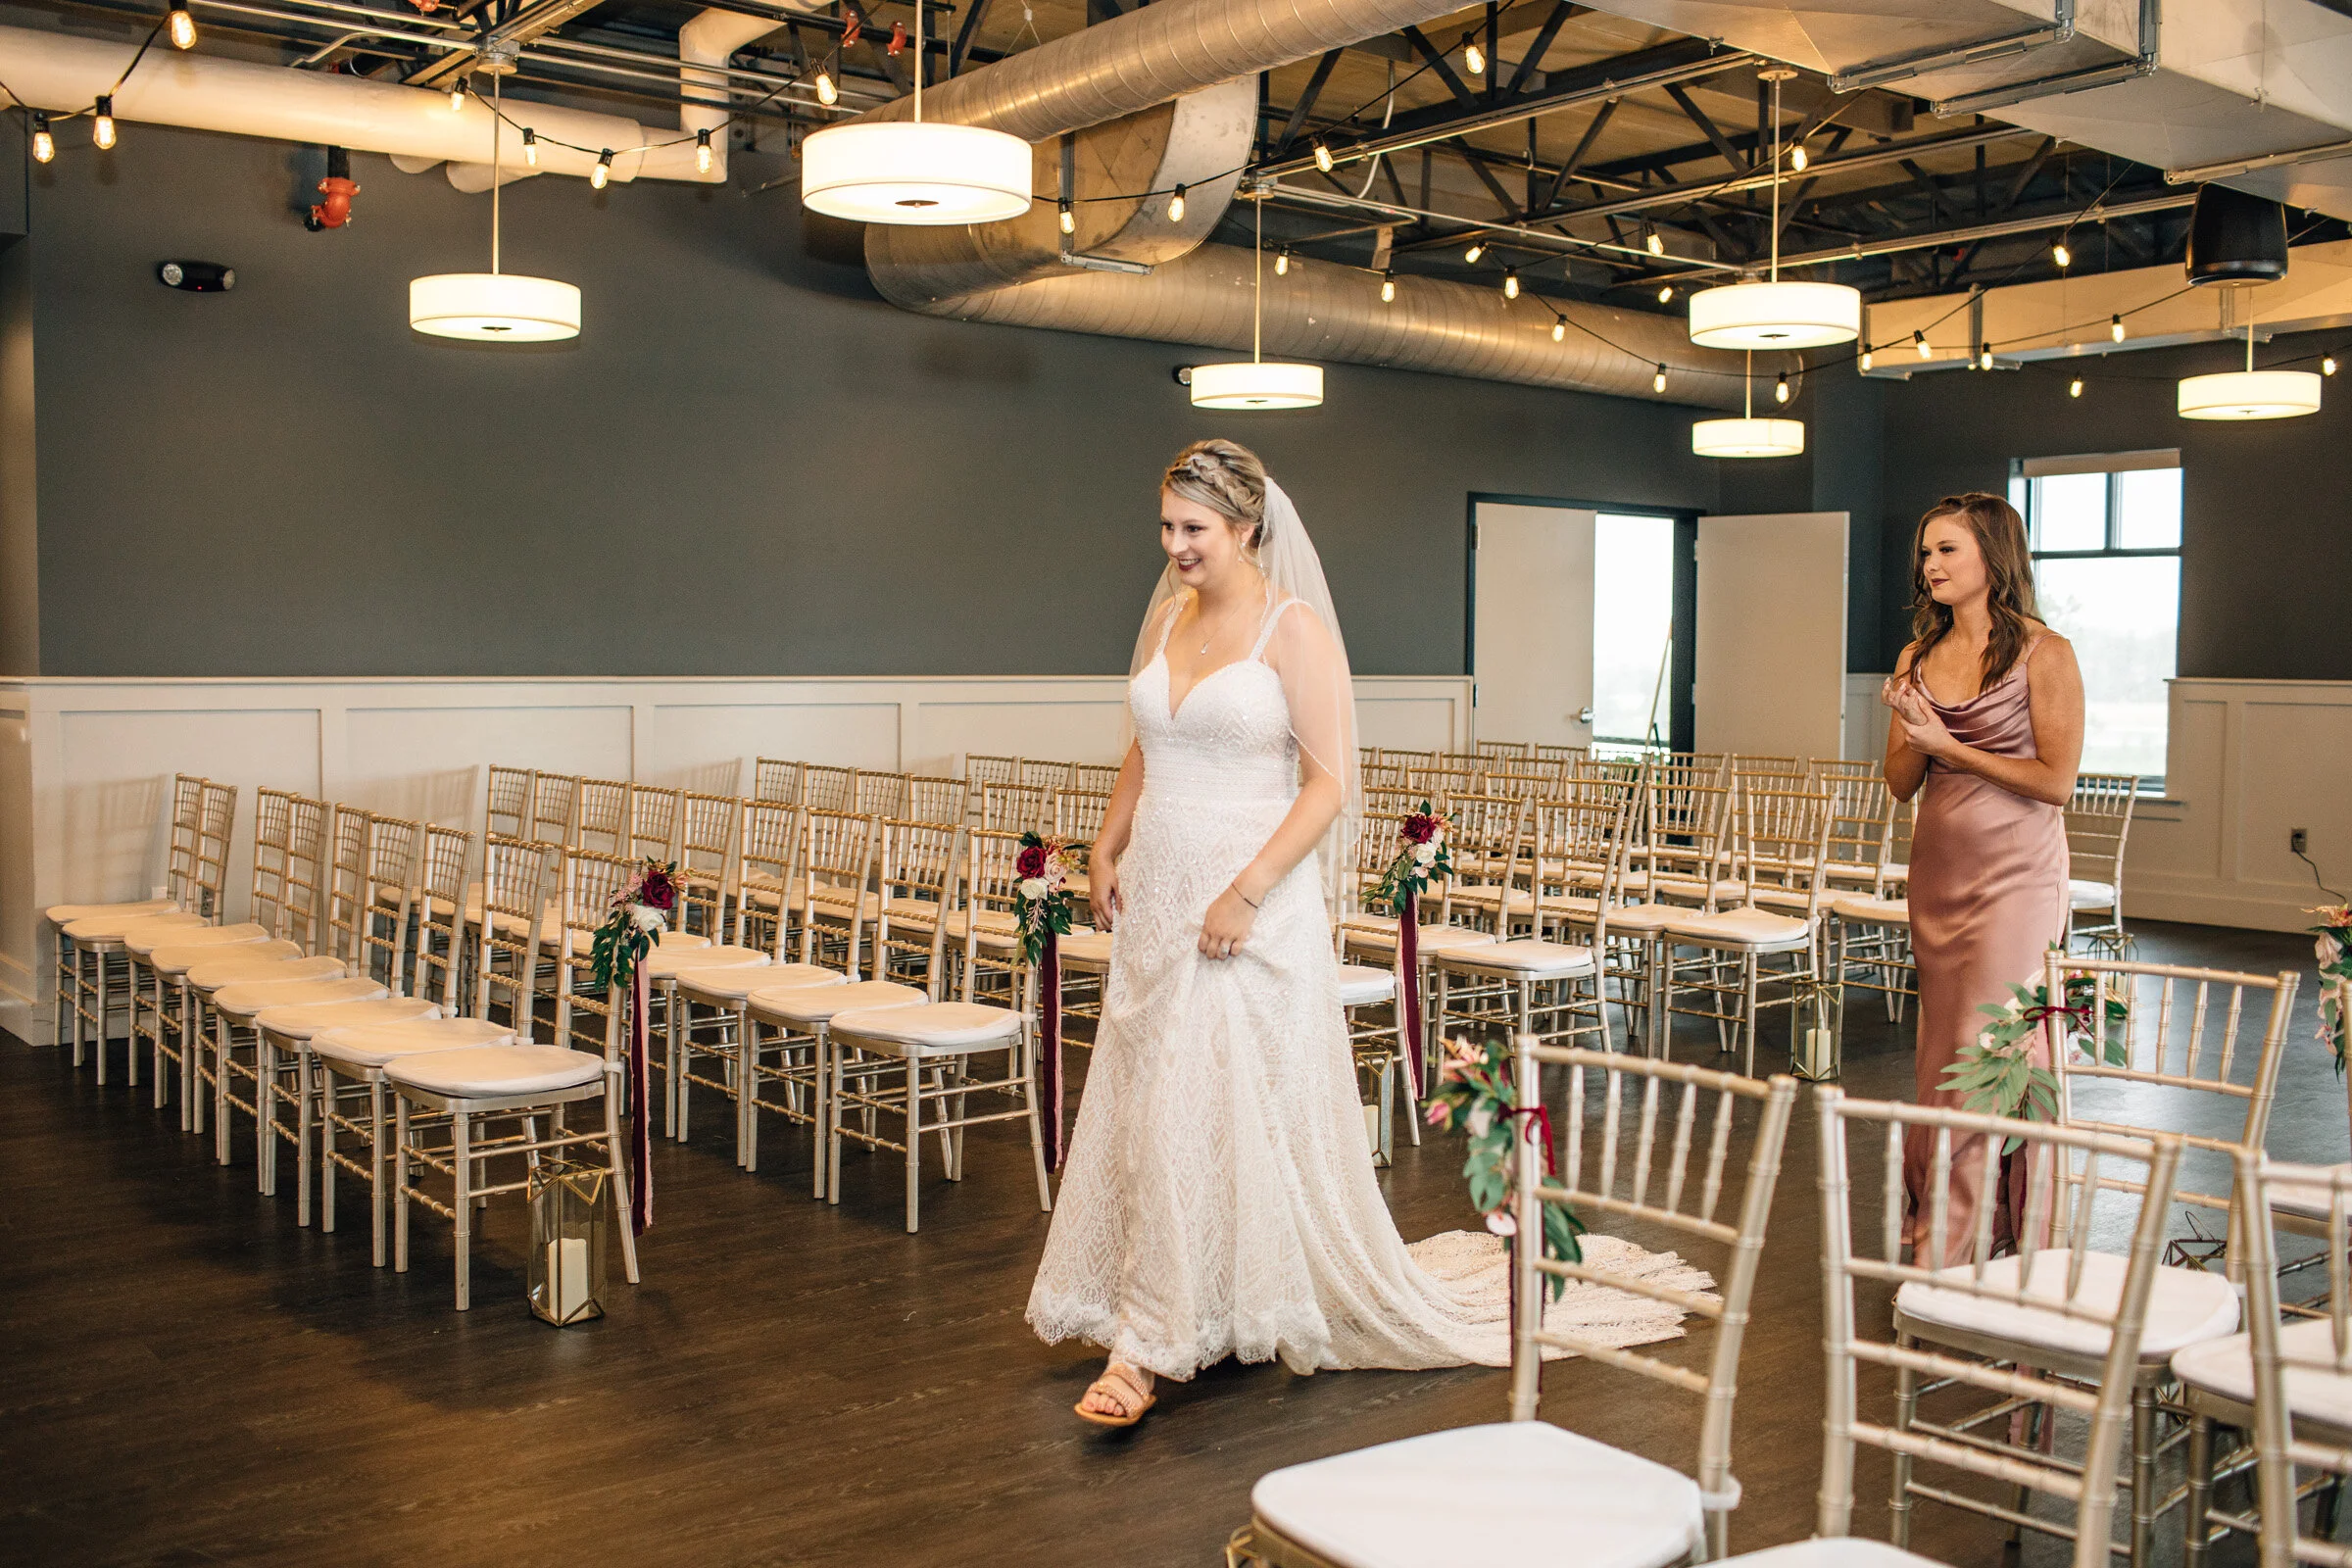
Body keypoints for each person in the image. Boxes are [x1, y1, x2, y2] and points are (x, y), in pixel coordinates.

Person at [1025, 439, 1705, 1427]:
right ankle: (1208, 1296)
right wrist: (1105, 841)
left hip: (1246, 898)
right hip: (1160, 895)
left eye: (1194, 529)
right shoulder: (1173, 616)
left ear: (1246, 527)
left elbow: (1330, 784)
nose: (1175, 546)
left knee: (1197, 1097)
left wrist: (1247, 890)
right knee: (1155, 1098)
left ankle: (1147, 1346)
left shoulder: (1290, 628)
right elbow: (1148, 741)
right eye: (1167, 526)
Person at [1882, 493, 2084, 1266]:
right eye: (1926, 552)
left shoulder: (2046, 652)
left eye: (1947, 551)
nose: (1930, 565)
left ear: (1993, 558)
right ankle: (1963, 1234)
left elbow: (2056, 783)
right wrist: (1912, 727)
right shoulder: (1916, 656)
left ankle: (1958, 1247)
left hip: (2018, 879)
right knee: (1941, 1056)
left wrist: (1952, 747)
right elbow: (1901, 782)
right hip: (1939, 876)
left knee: (1986, 1046)